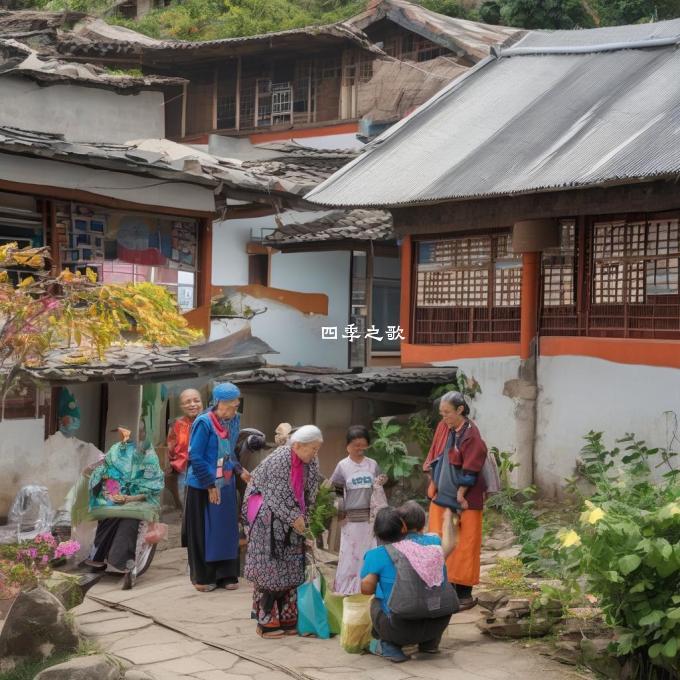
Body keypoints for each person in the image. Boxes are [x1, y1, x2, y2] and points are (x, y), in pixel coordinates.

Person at [243, 425, 322, 639]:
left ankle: (288, 617)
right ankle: (265, 620)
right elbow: (276, 495)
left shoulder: (311, 460)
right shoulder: (279, 460)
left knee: (293, 566)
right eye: (312, 449)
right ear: (297, 445)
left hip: (293, 516)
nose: (315, 453)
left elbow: (311, 490)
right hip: (266, 517)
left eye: (317, 449)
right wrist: (294, 518)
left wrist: (305, 519)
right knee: (271, 568)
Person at [360, 504, 458, 662]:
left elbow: (366, 590)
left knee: (376, 602)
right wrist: (448, 519)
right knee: (430, 598)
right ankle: (429, 644)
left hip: (400, 628)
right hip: (438, 624)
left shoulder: (377, 554)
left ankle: (389, 646)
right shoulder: (434, 544)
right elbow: (450, 543)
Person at [182, 382, 250, 592]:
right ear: (220, 403)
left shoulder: (232, 421)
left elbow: (230, 452)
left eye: (237, 405)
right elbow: (196, 456)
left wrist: (240, 470)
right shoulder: (204, 423)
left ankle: (227, 575)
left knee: (226, 529)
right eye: (232, 405)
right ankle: (204, 577)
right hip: (203, 486)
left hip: (226, 482)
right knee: (205, 530)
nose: (235, 409)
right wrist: (210, 485)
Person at [424, 391, 488, 610]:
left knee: (465, 544)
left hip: (466, 500)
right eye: (441, 413)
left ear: (460, 410)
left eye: (447, 413)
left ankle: (463, 595)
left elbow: (471, 468)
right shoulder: (448, 430)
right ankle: (445, 588)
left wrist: (461, 493)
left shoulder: (472, 436)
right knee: (441, 540)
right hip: (443, 497)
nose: (444, 418)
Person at [86, 422, 164, 589]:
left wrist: (130, 498)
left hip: (141, 499)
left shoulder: (149, 457)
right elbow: (107, 475)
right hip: (117, 498)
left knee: (129, 517)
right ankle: (97, 557)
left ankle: (126, 564)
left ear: (142, 435)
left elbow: (151, 487)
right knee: (108, 514)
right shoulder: (116, 451)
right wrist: (113, 493)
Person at [330, 425, 387, 594]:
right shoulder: (342, 466)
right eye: (356, 445)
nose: (360, 448)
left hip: (370, 521)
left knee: (369, 553)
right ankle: (347, 590)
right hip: (351, 521)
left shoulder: (372, 464)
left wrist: (382, 480)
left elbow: (378, 486)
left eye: (363, 445)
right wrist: (340, 513)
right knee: (349, 556)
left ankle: (368, 588)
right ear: (348, 445)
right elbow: (336, 491)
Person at [167, 388, 203, 507]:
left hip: (206, 470)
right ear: (181, 406)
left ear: (202, 403)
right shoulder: (177, 425)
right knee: (186, 504)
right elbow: (171, 448)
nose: (192, 404)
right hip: (184, 471)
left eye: (196, 400)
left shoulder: (209, 422)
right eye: (187, 402)